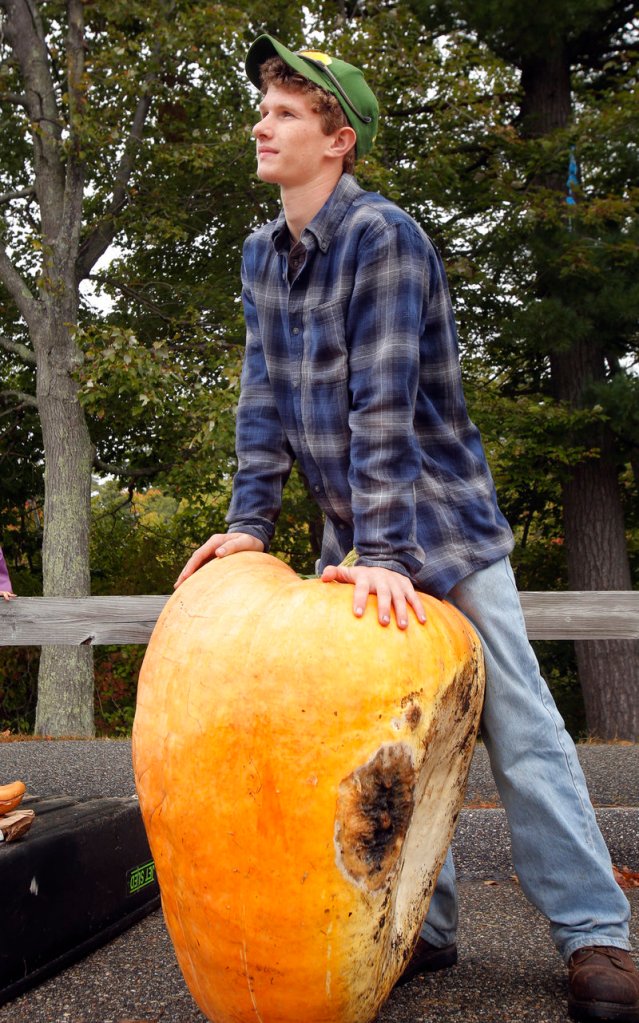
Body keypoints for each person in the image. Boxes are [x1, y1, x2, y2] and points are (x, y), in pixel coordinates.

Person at [175, 34, 638, 1023]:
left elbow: (381, 403)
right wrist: (249, 525)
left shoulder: (384, 237)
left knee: (518, 731)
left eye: (288, 112)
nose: (263, 122)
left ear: (338, 140)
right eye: (263, 107)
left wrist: (382, 551)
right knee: (381, 747)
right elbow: (262, 402)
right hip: (358, 543)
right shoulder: (264, 255)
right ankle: (422, 929)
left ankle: (597, 935)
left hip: (441, 530)